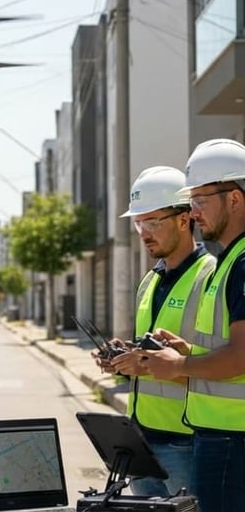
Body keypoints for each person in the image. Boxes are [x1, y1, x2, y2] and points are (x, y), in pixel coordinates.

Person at [98, 166, 215, 497]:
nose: (143, 233)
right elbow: (148, 352)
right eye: (138, 224)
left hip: (187, 442)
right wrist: (123, 358)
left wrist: (147, 365)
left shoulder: (212, 276)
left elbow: (224, 369)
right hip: (142, 441)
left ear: (184, 218)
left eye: (152, 222)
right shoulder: (150, 280)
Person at [142, 139, 245, 512]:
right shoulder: (230, 261)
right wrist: (189, 353)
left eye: (201, 199)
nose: (194, 211)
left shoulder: (242, 262)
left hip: (234, 441)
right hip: (219, 437)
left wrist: (180, 366)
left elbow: (241, 357)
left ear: (234, 199)